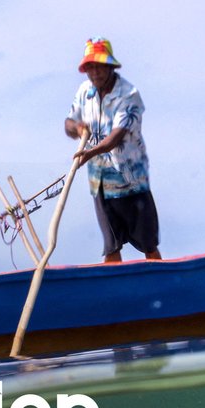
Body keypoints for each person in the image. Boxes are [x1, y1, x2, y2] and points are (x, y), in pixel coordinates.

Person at [64, 38, 161, 263]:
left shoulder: (128, 95)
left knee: (148, 242)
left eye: (99, 66)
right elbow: (68, 123)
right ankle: (114, 288)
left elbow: (116, 137)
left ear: (110, 67)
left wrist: (89, 153)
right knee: (111, 245)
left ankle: (159, 280)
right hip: (100, 180)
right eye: (90, 67)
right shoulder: (84, 91)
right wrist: (77, 128)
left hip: (130, 177)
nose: (95, 72)